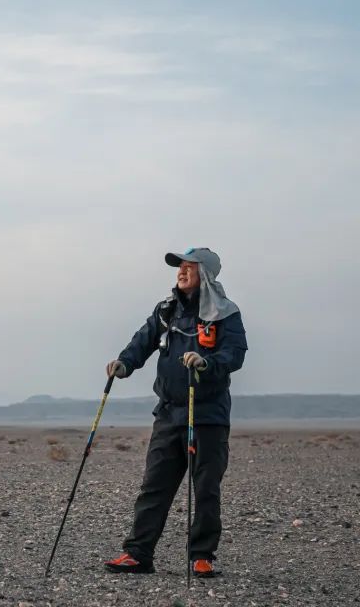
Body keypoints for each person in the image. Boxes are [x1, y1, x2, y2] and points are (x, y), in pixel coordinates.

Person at [103, 247, 248, 577]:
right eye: (179, 268)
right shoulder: (166, 310)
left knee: (206, 489)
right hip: (168, 415)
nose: (181, 273)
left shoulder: (225, 313)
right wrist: (125, 363)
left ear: (206, 275)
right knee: (154, 486)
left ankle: (202, 556)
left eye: (188, 268)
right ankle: (138, 554)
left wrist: (208, 363)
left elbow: (235, 353)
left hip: (207, 415)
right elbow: (143, 340)